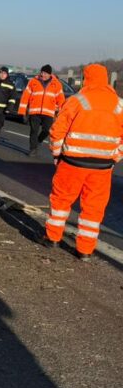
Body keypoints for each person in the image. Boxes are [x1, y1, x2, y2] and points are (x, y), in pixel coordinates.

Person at [43, 64, 123, 260]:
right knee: (94, 208)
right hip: (102, 167)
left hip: (72, 162)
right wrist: (114, 157)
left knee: (61, 200)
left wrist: (56, 155)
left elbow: (57, 131)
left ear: (86, 79)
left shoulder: (77, 100)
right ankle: (85, 250)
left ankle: (52, 237)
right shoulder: (119, 104)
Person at [18, 64, 65, 156]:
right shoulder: (33, 81)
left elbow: (61, 99)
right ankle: (33, 149)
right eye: (42, 72)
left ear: (50, 74)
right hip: (34, 111)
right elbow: (25, 96)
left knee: (47, 130)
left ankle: (38, 141)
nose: (43, 75)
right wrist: (22, 111)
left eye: (46, 73)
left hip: (48, 113)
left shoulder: (57, 84)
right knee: (33, 131)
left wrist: (61, 114)